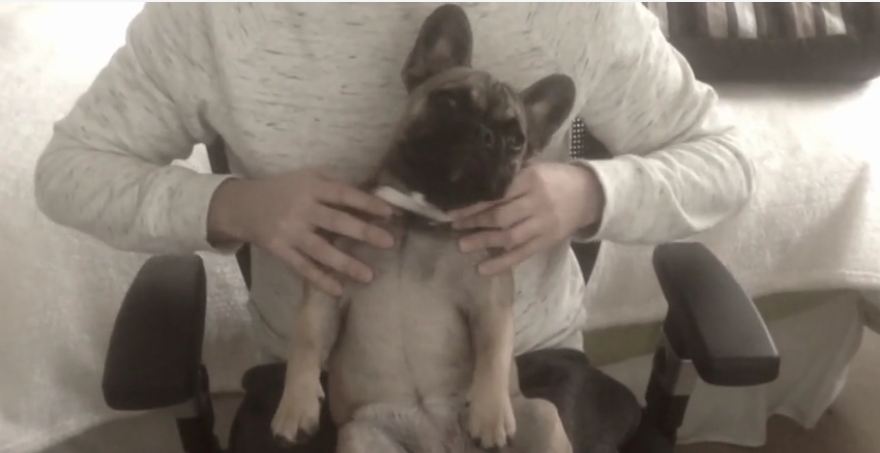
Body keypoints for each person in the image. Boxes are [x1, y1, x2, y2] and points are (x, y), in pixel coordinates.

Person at [34, 0, 752, 422]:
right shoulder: (215, 18)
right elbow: (69, 171)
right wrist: (234, 205)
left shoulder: (576, 10)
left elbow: (724, 160)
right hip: (320, 387)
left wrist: (590, 192)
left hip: (523, 373)